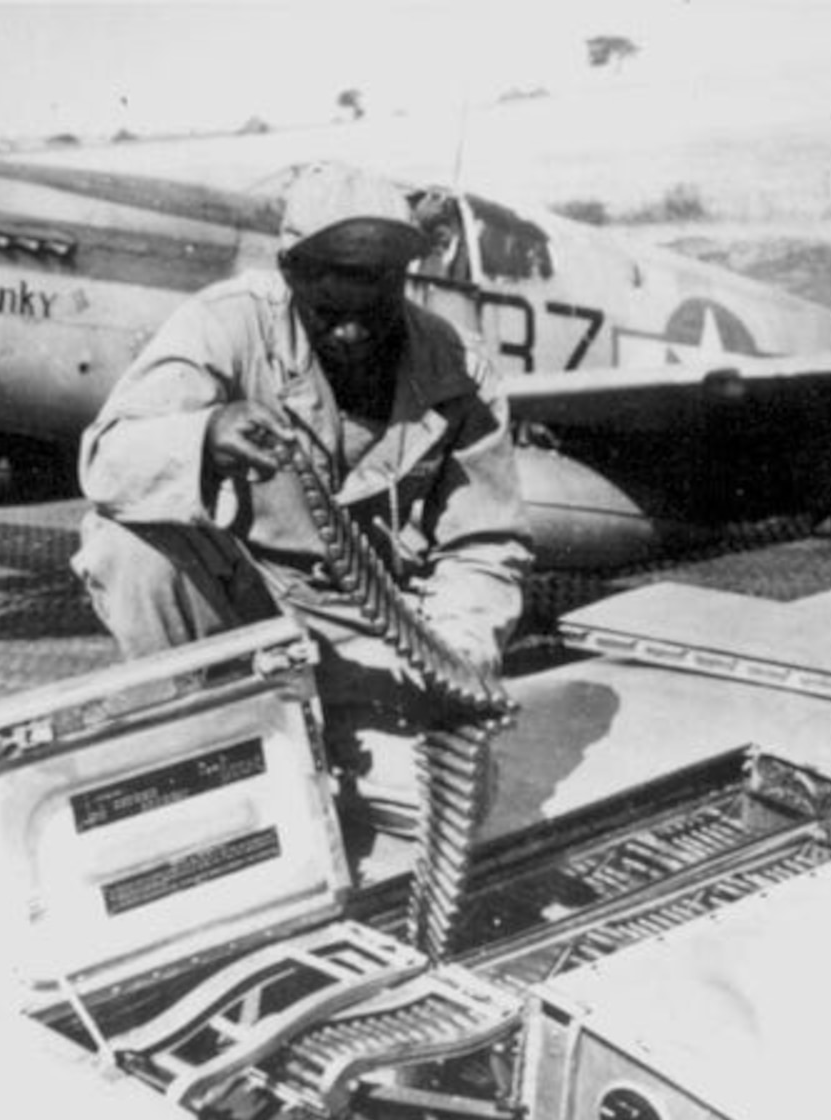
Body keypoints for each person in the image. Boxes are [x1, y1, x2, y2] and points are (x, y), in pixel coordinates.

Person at [71, 161, 532, 825]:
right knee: (128, 541)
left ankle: (309, 754)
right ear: (289, 275)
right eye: (328, 311)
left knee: (449, 810)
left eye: (372, 308)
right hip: (246, 619)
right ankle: (205, 745)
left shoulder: (459, 369)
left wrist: (458, 656)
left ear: (402, 281)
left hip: (375, 645)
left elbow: (484, 542)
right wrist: (203, 433)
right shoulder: (225, 323)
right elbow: (109, 459)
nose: (350, 333)